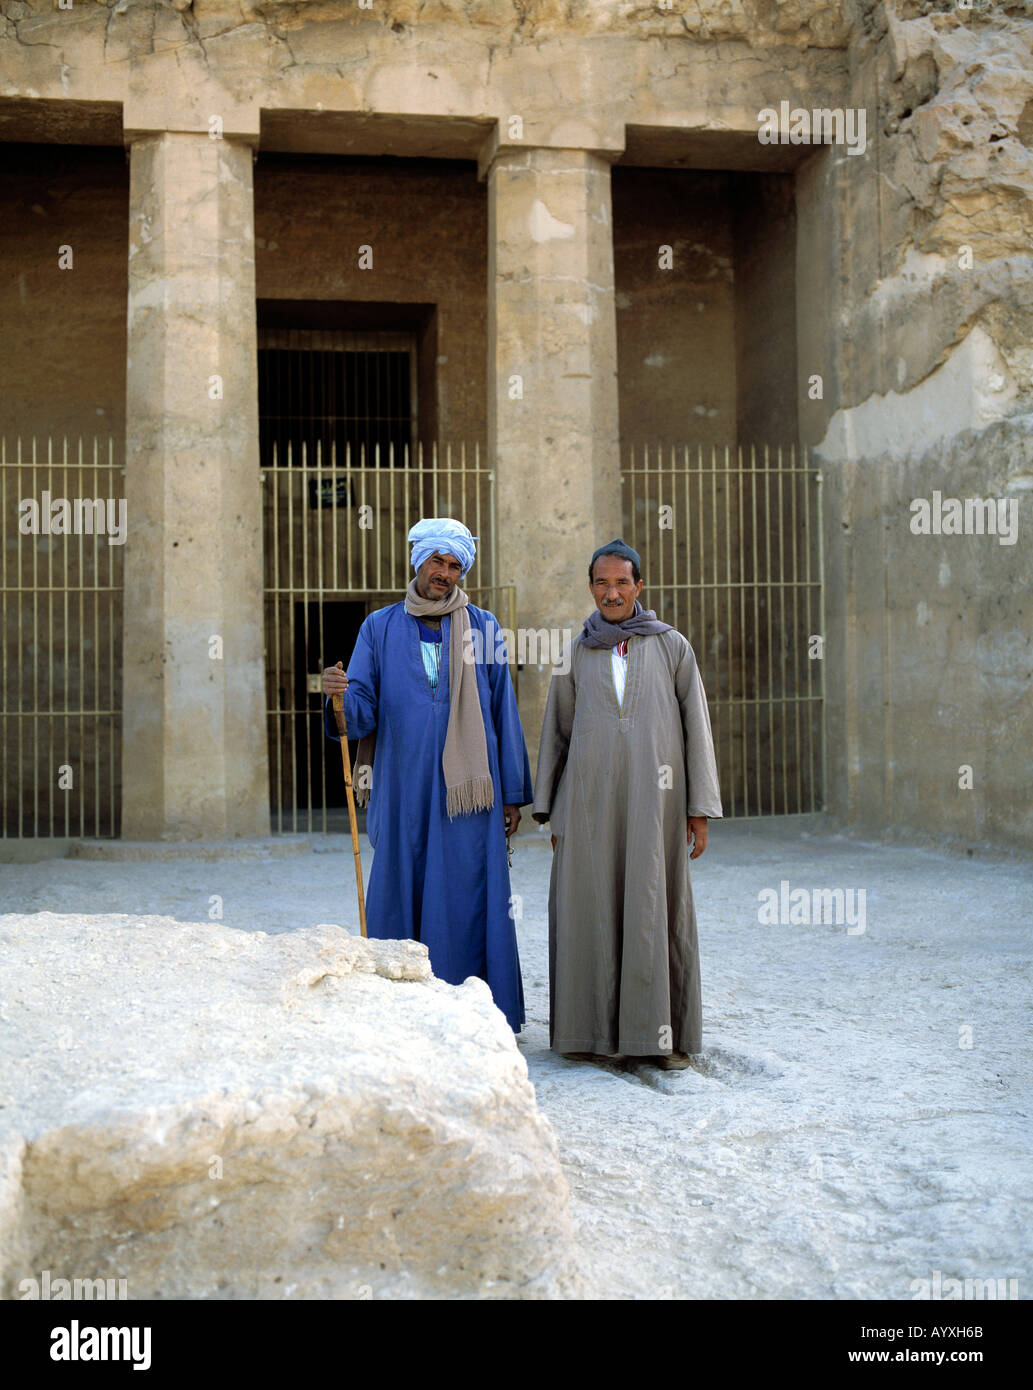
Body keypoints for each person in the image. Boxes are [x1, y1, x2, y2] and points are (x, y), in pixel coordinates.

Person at [321, 518, 532, 1032]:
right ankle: (396, 1007)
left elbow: (503, 708)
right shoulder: (381, 626)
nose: (445, 572)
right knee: (401, 878)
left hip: (470, 790)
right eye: (437, 561)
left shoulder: (483, 627)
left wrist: (511, 794)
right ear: (417, 561)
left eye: (455, 564)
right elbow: (363, 708)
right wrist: (340, 696)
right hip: (403, 782)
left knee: (467, 887)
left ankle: (474, 1009)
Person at [531, 538, 722, 1068]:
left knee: (650, 906)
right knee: (588, 908)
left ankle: (655, 1038)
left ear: (639, 586)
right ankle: (588, 1035)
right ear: (590, 587)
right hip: (588, 806)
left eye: (621, 582)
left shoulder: (672, 647)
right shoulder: (577, 652)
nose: (611, 592)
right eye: (601, 582)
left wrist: (698, 810)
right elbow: (558, 732)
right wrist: (551, 808)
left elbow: (696, 730)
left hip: (656, 806)